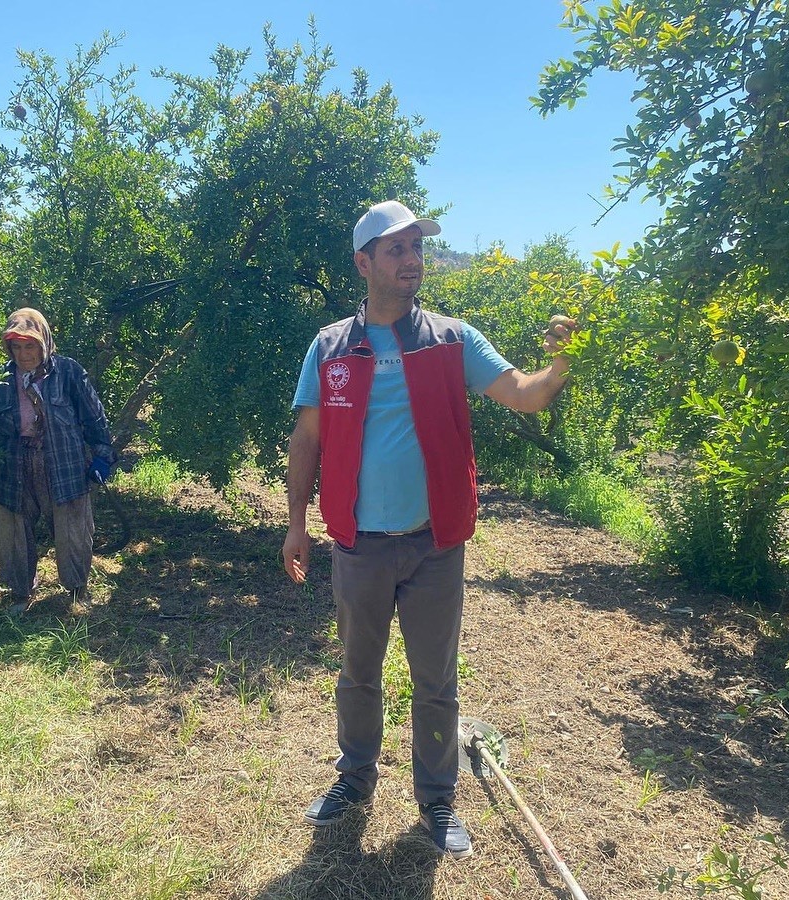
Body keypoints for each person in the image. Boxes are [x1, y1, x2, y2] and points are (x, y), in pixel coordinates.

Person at [281, 199, 577, 858]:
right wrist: (296, 524)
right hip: (357, 542)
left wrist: (560, 363)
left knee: (435, 680)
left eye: (417, 248)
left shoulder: (451, 339)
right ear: (364, 263)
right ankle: (354, 780)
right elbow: (307, 441)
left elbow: (523, 394)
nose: (413, 261)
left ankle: (437, 801)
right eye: (397, 250)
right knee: (358, 674)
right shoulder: (332, 346)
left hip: (435, 542)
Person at [0, 308, 115, 613]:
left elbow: (95, 418)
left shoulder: (68, 372)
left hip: (64, 462)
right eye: (16, 346)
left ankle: (76, 589)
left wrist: (103, 457)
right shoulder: (0, 379)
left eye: (30, 346)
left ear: (44, 344)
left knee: (73, 529)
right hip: (14, 464)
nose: (24, 354)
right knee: (13, 528)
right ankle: (20, 592)